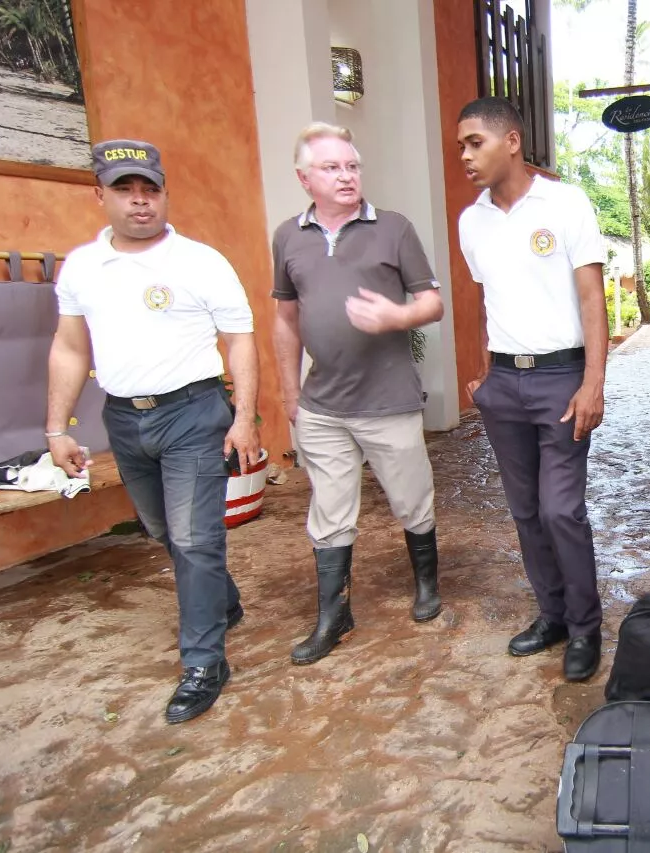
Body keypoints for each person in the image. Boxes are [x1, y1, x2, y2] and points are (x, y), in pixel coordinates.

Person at [47, 139, 261, 725]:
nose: (140, 202)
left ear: (164, 194)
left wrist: (243, 416)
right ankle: (223, 602)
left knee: (194, 539)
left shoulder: (200, 262)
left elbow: (240, 339)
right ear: (100, 195)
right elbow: (69, 347)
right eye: (125, 190)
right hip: (123, 415)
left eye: (150, 190)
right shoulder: (83, 266)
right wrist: (57, 427)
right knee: (164, 528)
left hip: (192, 412)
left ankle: (204, 663)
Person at [272, 122, 445, 666]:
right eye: (332, 167)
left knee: (411, 500)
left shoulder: (393, 228)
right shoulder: (288, 237)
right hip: (322, 404)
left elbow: (432, 302)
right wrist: (288, 394)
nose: (346, 176)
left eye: (352, 165)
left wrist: (398, 315)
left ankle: (427, 584)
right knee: (329, 510)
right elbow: (284, 319)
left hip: (387, 399)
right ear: (305, 178)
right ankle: (333, 614)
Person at [455, 97, 608, 682]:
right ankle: (553, 616)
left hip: (561, 379)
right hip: (505, 384)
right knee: (524, 511)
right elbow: (482, 299)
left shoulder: (565, 203)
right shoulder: (473, 220)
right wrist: (482, 371)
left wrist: (593, 380)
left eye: (476, 143)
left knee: (561, 509)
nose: (466, 156)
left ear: (511, 141)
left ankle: (587, 626)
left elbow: (592, 297)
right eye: (461, 147)